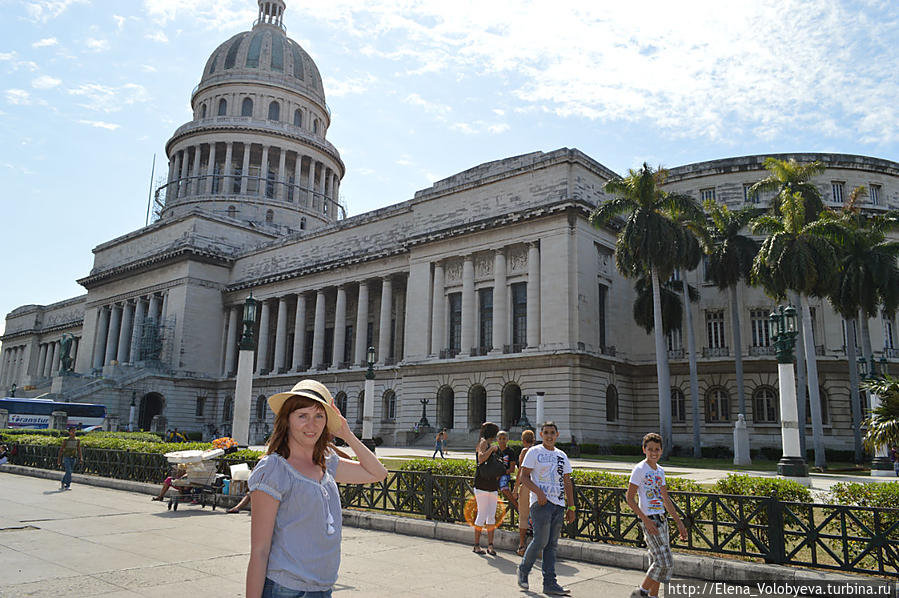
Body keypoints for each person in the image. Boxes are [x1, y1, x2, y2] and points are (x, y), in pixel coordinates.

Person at [246, 379, 388, 598]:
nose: (311, 425)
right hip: (286, 590)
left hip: (322, 589)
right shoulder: (274, 469)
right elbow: (259, 551)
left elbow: (378, 473)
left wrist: (348, 435)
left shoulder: (326, 463)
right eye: (302, 416)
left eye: (319, 416)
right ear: (287, 420)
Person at [516, 421, 575, 596]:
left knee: (552, 545)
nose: (549, 436)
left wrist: (571, 506)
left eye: (552, 432)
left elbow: (567, 481)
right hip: (540, 504)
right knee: (541, 540)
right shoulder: (534, 452)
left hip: (558, 504)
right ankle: (524, 570)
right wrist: (538, 493)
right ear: (541, 435)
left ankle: (550, 583)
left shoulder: (562, 456)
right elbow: (523, 476)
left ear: (557, 435)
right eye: (546, 432)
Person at [626, 432, 688, 598]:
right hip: (650, 520)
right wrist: (646, 521)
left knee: (656, 561)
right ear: (644, 450)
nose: (654, 453)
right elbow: (629, 498)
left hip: (661, 519)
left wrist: (679, 523)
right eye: (650, 449)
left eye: (657, 449)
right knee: (664, 562)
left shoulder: (660, 471)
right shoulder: (640, 469)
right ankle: (640, 592)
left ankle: (653, 596)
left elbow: (665, 499)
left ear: (661, 451)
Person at [472, 421, 502, 555]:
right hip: (482, 484)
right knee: (482, 514)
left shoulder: (488, 443)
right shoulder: (483, 442)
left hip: (491, 484)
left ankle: (490, 545)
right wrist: (491, 449)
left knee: (491, 516)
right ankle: (476, 545)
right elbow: (481, 459)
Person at [513, 428, 536, 556]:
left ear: (523, 440)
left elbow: (521, 472)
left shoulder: (525, 451)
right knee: (537, 517)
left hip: (527, 486)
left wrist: (516, 488)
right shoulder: (538, 451)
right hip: (538, 487)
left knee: (523, 516)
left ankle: (522, 546)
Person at [497, 430, 518, 512]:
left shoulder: (510, 451)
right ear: (497, 439)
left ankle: (516, 505)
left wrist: (502, 473)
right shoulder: (495, 451)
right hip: (495, 474)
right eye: (500, 438)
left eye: (504, 438)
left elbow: (512, 468)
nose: (502, 441)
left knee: (504, 488)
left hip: (505, 474)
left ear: (507, 440)